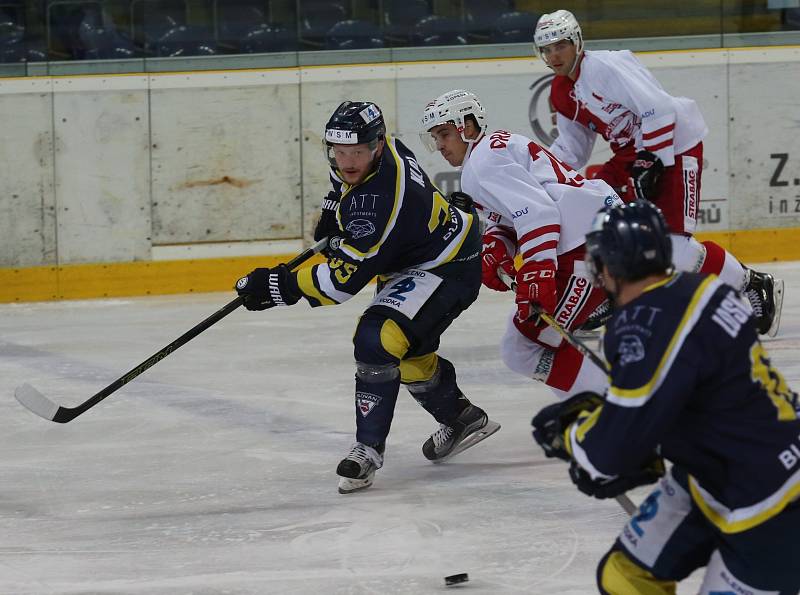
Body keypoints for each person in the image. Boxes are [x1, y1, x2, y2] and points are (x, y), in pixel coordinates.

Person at [532, 200, 800, 594]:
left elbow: (608, 457)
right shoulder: (703, 287)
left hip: (769, 501)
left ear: (608, 266)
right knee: (625, 576)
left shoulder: (643, 323)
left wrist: (574, 437)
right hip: (723, 472)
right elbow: (692, 392)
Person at [235, 100, 499, 494]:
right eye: (339, 151)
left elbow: (341, 284)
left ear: (375, 145)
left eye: (355, 152)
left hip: (445, 265)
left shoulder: (377, 203)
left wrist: (277, 286)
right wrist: (332, 209)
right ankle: (462, 418)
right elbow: (345, 184)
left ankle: (368, 450)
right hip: (423, 254)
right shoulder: (381, 149)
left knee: (377, 339)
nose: (346, 161)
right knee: (407, 352)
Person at [532, 9, 784, 337]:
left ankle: (753, 283)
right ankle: (607, 294)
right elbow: (572, 149)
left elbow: (659, 107)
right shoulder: (560, 91)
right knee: (589, 212)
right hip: (630, 156)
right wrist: (536, 172)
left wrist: (652, 157)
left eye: (560, 45)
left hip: (674, 145)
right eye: (546, 49)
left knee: (676, 250)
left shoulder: (605, 66)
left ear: (577, 42)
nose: (554, 55)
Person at [421, 89, 621, 400]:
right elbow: (518, 213)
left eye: (445, 134)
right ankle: (601, 405)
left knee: (524, 345)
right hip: (597, 232)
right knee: (528, 343)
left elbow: (539, 212)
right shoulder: (492, 149)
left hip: (586, 247)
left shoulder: (482, 163)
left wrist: (538, 272)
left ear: (468, 127)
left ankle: (615, 409)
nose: (440, 145)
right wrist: (497, 246)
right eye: (435, 137)